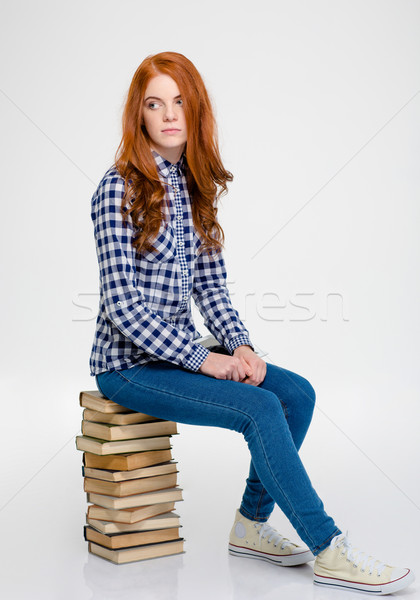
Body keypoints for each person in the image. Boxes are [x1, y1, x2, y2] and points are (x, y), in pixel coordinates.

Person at [89, 51, 414, 595]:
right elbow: (124, 308)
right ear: (138, 115)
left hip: (178, 354)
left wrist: (240, 346)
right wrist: (206, 360)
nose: (169, 114)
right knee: (259, 408)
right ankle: (329, 549)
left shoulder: (193, 190)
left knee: (296, 394)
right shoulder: (116, 189)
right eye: (154, 103)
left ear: (195, 112)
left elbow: (211, 288)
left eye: (179, 102)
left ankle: (249, 526)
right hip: (127, 366)